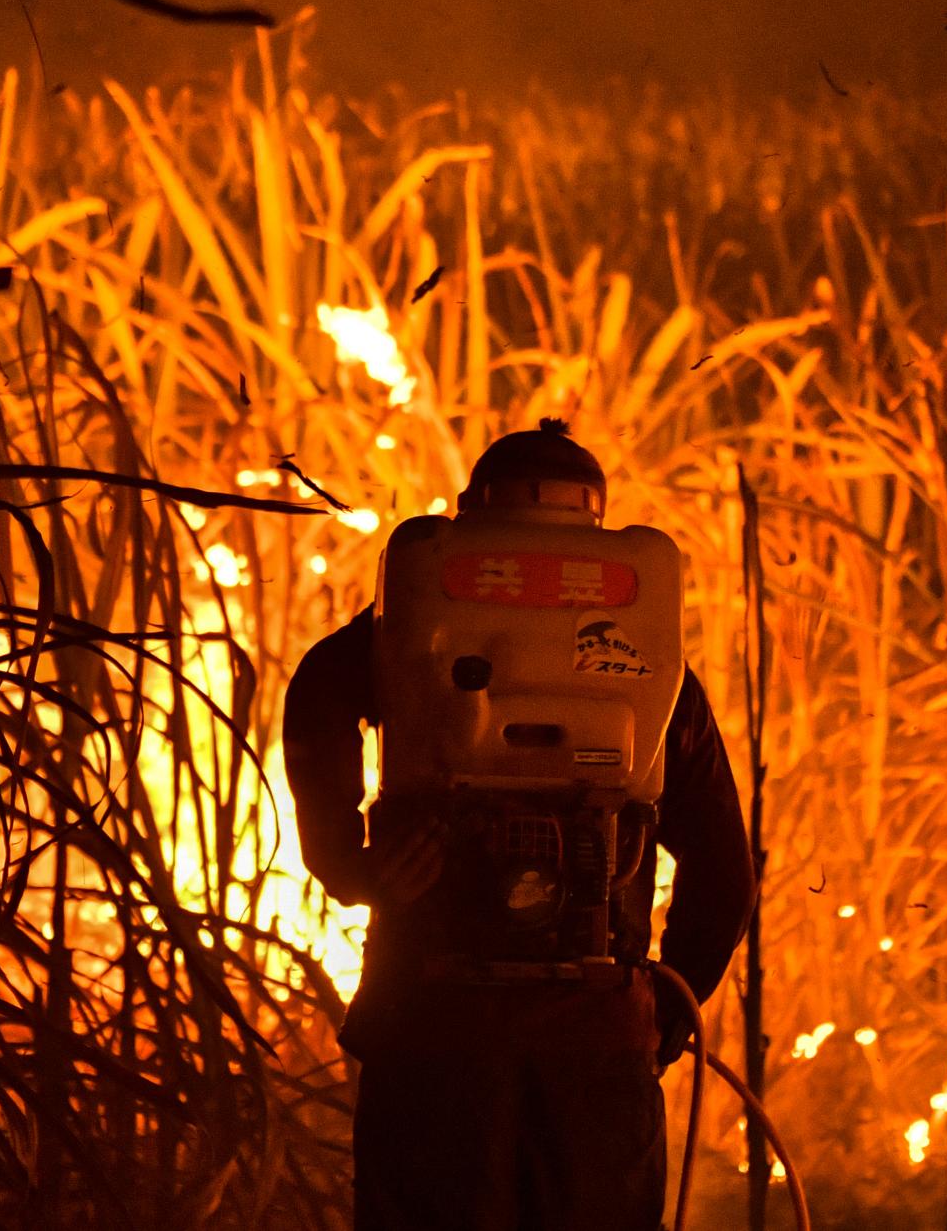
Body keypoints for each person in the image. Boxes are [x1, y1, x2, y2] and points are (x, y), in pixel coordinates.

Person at [282, 422, 754, 1231]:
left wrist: (357, 868)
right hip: (596, 1040)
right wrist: (659, 1017)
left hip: (429, 1027)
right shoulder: (654, 669)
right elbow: (725, 875)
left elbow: (319, 701)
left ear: (471, 518)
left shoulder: (394, 635)